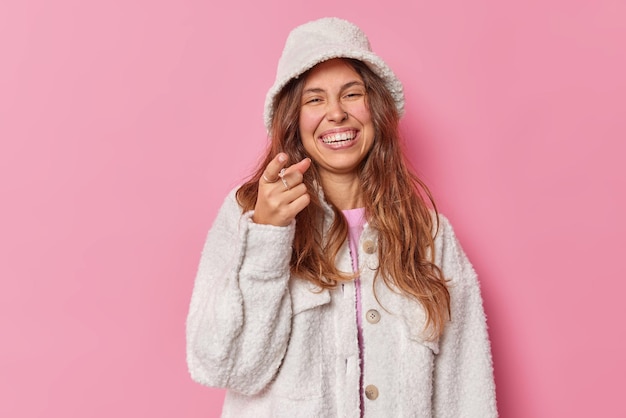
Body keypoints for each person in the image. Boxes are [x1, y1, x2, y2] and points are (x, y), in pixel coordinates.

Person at [186, 17, 497, 418]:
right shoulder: (247, 216)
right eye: (314, 100)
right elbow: (225, 366)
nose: (336, 113)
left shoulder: (430, 236)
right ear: (293, 120)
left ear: (376, 109)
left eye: (351, 94)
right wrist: (268, 235)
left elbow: (467, 391)